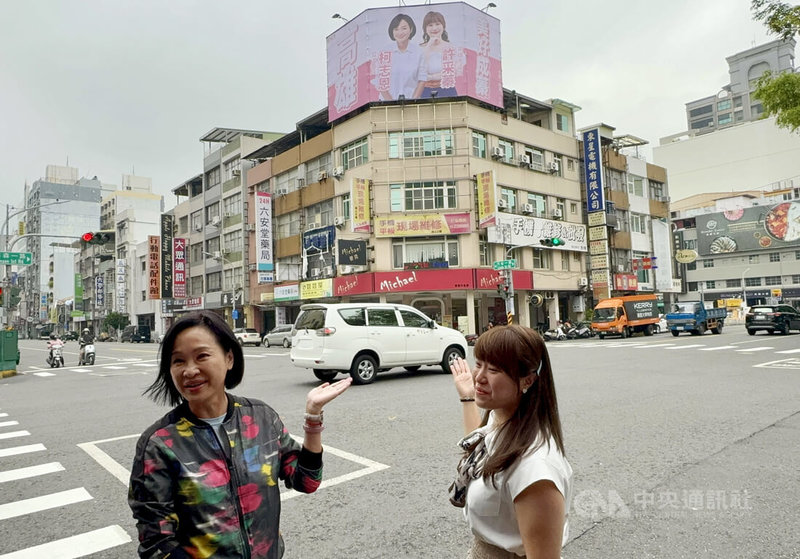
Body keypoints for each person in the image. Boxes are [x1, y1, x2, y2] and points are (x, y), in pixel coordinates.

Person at [128, 310, 351, 558]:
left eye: (202, 356)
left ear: (229, 358)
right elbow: (156, 545)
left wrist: (313, 417)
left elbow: (307, 482)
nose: (189, 371)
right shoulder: (159, 444)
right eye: (178, 361)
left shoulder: (261, 418)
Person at [449, 325, 572, 558]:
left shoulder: (535, 471)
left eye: (493, 369)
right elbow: (480, 451)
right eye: (479, 363)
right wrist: (467, 397)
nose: (479, 377)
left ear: (527, 381)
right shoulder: (504, 419)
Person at [412, 11, 464, 99]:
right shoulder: (419, 48)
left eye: (437, 24)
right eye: (430, 25)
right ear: (425, 29)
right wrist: (429, 45)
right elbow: (417, 71)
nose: (434, 28)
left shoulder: (452, 48)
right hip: (424, 90)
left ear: (443, 26)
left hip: (447, 89)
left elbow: (456, 71)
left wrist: (430, 77)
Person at [375, 13, 421, 101]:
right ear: (392, 32)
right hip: (386, 105)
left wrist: (414, 100)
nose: (400, 32)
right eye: (396, 29)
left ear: (411, 29)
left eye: (404, 28)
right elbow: (380, 81)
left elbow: (422, 79)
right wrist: (391, 103)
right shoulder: (385, 52)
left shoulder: (418, 51)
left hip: (414, 104)